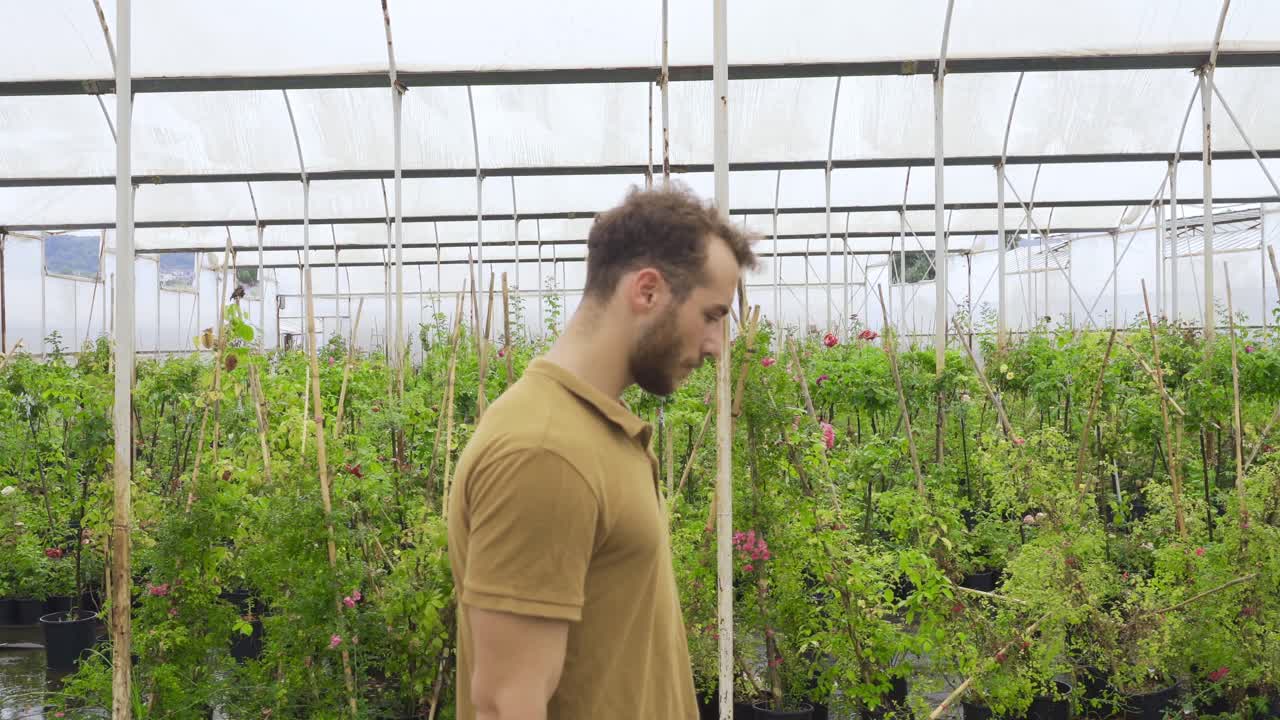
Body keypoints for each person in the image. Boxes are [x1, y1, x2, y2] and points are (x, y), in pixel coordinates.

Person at [447, 183, 758, 720]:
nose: (715, 345)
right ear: (647, 291)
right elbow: (504, 702)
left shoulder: (590, 429)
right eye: (711, 315)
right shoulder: (545, 452)